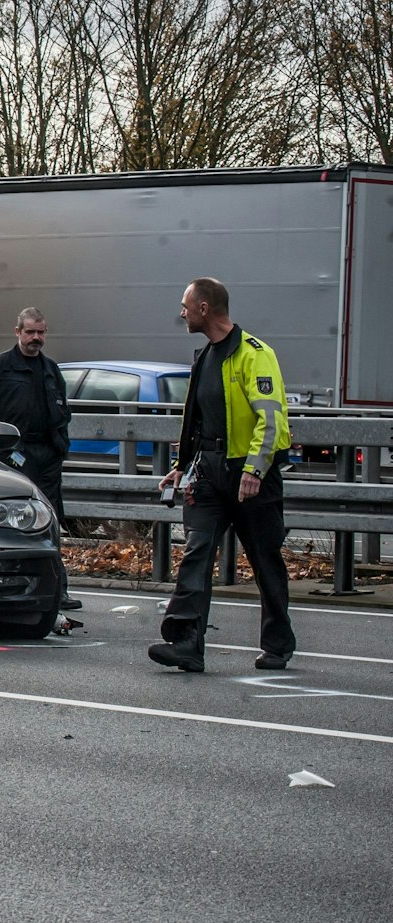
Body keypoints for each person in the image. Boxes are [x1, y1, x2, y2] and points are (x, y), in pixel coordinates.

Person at [148, 277, 296, 674]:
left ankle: (278, 644)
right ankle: (186, 643)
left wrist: (254, 469)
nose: (181, 313)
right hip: (210, 474)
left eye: (185, 306)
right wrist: (181, 466)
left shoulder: (254, 354)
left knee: (265, 561)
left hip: (250, 476)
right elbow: (200, 421)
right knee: (196, 552)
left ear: (204, 308)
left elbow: (272, 419)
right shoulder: (204, 357)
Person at [0, 307, 79, 611]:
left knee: (51, 520)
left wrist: (60, 447)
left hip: (47, 456)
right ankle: (8, 584)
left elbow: (63, 412)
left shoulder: (51, 369)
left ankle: (58, 590)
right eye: (30, 332)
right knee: (17, 522)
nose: (36, 338)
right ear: (17, 332)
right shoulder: (0, 366)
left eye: (40, 332)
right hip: (13, 456)